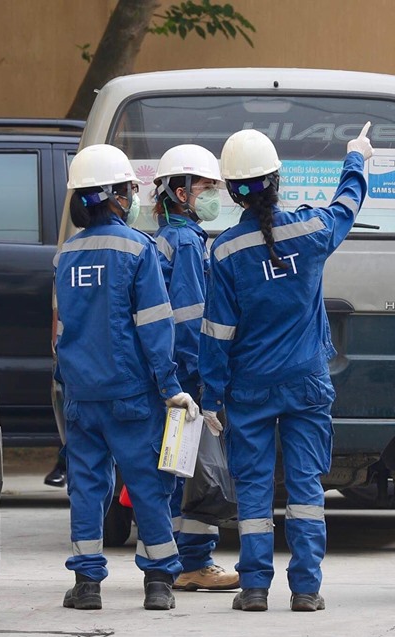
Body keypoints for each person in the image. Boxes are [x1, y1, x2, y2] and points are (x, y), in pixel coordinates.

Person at [199, 124, 373, 613]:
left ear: (232, 191)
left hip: (249, 389)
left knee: (253, 491)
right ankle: (306, 589)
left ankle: (254, 588)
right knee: (305, 489)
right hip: (306, 383)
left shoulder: (226, 252)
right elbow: (347, 206)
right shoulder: (312, 230)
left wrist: (211, 397)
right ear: (278, 179)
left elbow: (216, 334)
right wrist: (356, 157)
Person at [53, 143, 199, 611]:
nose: (133, 197)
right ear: (116, 196)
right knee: (148, 484)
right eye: (128, 190)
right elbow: (156, 326)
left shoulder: (65, 257)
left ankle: (87, 585)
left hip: (81, 394)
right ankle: (158, 582)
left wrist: (67, 382)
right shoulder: (139, 249)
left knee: (87, 488)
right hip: (132, 395)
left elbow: (62, 331)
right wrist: (171, 387)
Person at [150, 144, 239, 591]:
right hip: (186, 378)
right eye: (206, 187)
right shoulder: (186, 242)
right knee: (193, 472)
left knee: (176, 473)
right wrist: (203, 385)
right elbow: (189, 320)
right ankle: (192, 564)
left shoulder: (167, 237)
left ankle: (174, 564)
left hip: (167, 376)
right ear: (181, 193)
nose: (213, 196)